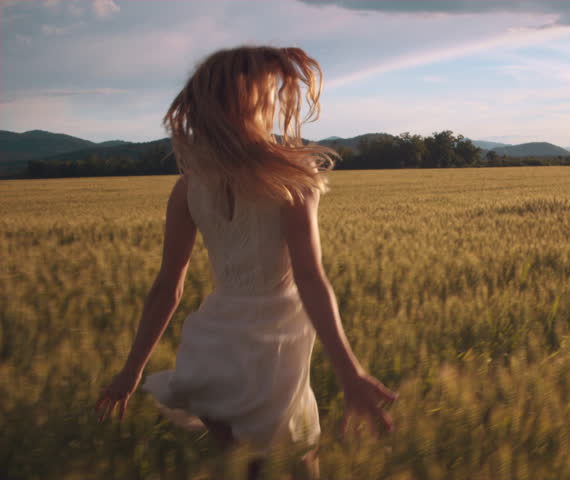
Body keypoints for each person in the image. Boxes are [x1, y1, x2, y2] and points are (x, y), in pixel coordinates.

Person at [95, 46, 397, 479]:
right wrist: (350, 372)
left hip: (214, 341)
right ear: (251, 101)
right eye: (271, 91)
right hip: (275, 339)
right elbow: (311, 279)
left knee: (244, 467)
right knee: (298, 460)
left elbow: (168, 287)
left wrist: (132, 369)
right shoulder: (291, 181)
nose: (276, 101)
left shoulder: (188, 187)